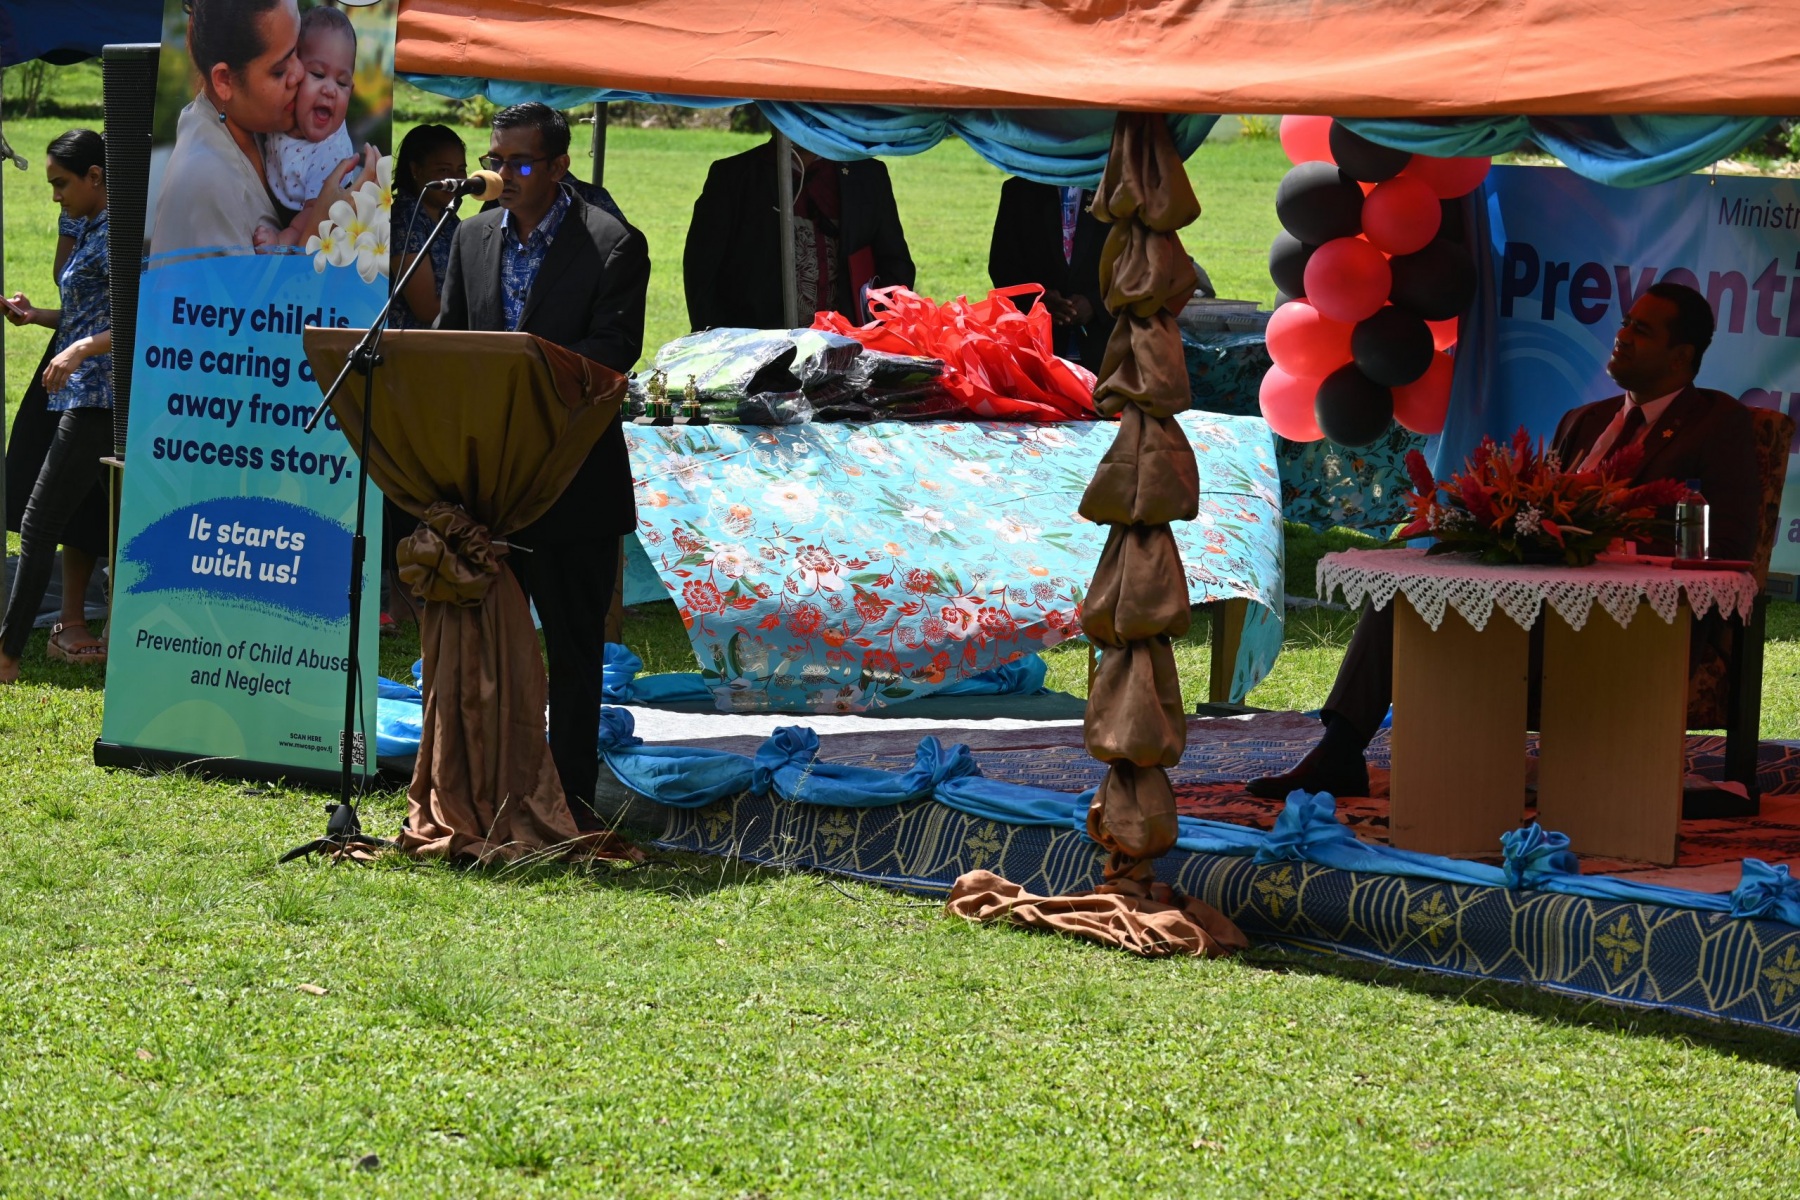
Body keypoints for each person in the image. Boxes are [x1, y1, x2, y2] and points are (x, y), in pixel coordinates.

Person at [1247, 282, 1761, 800]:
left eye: (1642, 330)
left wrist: (1617, 547)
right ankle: (1340, 751)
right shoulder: (1585, 421)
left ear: (1680, 356)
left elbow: (1731, 546)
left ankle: (1506, 773)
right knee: (1398, 596)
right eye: (1626, 322)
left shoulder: (1717, 424)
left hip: (1637, 620)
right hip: (1540, 600)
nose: (1622, 336)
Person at [435, 102, 650, 826]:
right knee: (484, 649)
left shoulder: (612, 244)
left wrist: (523, 381)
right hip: (489, 485)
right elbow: (448, 340)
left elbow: (612, 353)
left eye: (521, 163)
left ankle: (571, 809)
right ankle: (487, 796)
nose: (504, 174)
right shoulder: (469, 237)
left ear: (560, 167)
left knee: (574, 654)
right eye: (495, 160)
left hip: (571, 481)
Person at [1, 131, 115, 683]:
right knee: (56, 520)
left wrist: (80, 349)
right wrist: (38, 317)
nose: (54, 196)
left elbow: (143, 320)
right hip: (80, 391)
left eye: (61, 183)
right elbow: (86, 312)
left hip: (100, 397)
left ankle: (7, 657)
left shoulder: (119, 233)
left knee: (40, 521)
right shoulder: (89, 225)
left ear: (95, 176)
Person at [151, 0, 365, 256]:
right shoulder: (206, 182)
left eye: (297, 52)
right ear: (225, 80)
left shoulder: (262, 126)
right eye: (280, 70)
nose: (300, 73)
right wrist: (319, 225)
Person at [683, 137, 914, 330]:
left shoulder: (867, 175)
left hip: (848, 345)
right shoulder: (734, 176)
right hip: (757, 347)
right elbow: (702, 272)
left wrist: (878, 332)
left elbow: (895, 264)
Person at [252, 5, 375, 249]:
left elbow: (314, 217)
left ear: (350, 91)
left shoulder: (331, 154)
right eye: (318, 75)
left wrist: (281, 240)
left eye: (341, 83)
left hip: (310, 220)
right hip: (282, 197)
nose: (330, 90)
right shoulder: (284, 113)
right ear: (295, 71)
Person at [987, 177, 1110, 369]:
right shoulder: (1019, 189)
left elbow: (1141, 265)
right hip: (1037, 349)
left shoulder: (1121, 187)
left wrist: (1097, 303)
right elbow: (1003, 265)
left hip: (1110, 348)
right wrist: (1037, 300)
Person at [387, 123, 466, 329]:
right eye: (443, 170)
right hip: (411, 344)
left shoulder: (448, 218)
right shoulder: (404, 219)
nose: (456, 179)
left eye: (461, 169)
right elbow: (426, 309)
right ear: (416, 170)